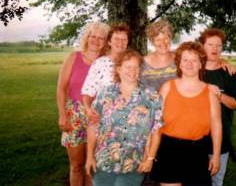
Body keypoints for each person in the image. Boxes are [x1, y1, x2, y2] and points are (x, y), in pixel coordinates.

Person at [85, 49, 163, 186]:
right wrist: (89, 156)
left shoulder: (151, 96)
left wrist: (150, 158)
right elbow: (93, 125)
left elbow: (156, 130)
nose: (132, 71)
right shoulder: (105, 93)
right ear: (118, 69)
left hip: (133, 163)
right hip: (103, 161)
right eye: (128, 67)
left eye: (136, 67)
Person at [150, 41, 222, 186]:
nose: (190, 64)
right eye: (185, 60)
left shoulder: (211, 92)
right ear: (179, 63)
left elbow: (216, 125)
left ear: (201, 64)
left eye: (194, 60)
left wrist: (216, 155)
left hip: (198, 152)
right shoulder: (167, 88)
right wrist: (150, 152)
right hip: (169, 151)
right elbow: (155, 122)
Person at [57, 21, 110, 186]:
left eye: (101, 38)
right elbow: (61, 88)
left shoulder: (107, 62)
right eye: (93, 36)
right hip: (74, 115)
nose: (96, 40)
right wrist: (62, 115)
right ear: (87, 38)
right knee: (76, 165)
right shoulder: (74, 57)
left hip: (98, 116)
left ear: (106, 41)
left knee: (92, 165)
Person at [199, 28, 236, 186]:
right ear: (202, 46)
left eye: (218, 45)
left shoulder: (228, 72)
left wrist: (219, 96)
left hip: (220, 140)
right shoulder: (193, 70)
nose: (214, 48)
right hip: (194, 140)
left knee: (216, 181)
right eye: (210, 44)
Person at [81, 24, 130, 122]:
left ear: (128, 42)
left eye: (124, 39)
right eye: (116, 39)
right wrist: (88, 109)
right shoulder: (99, 63)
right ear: (109, 42)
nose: (120, 42)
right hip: (103, 117)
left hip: (129, 118)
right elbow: (88, 91)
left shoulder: (135, 62)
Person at [140, 19, 177, 91]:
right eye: (158, 40)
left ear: (170, 38)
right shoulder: (142, 63)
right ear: (152, 42)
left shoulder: (180, 59)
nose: (162, 43)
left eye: (165, 38)